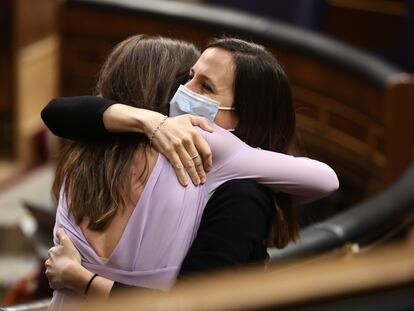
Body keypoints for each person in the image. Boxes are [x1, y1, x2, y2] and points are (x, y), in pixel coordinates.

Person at [44, 35, 339, 308]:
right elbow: (57, 112)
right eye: (188, 78)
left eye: (205, 86)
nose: (185, 91)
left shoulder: (223, 159)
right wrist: (151, 121)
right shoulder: (129, 140)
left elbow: (326, 179)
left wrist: (81, 279)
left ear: (243, 117)